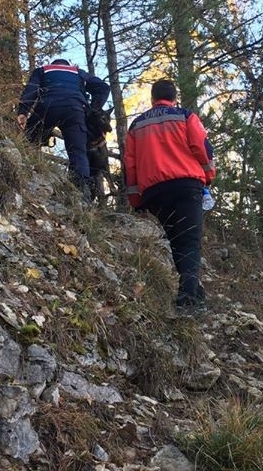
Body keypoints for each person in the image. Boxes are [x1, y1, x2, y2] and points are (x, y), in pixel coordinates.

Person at [124, 78, 215, 316]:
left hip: (155, 193)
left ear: (153, 99)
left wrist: (136, 200)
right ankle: (188, 299)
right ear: (174, 98)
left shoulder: (136, 126)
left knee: (176, 240)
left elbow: (130, 167)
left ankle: (194, 292)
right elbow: (202, 148)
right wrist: (208, 175)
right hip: (187, 185)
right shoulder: (185, 116)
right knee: (190, 241)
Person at [17, 58, 110, 196]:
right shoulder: (78, 72)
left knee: (28, 139)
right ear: (67, 66)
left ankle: (22, 171)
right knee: (78, 151)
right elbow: (103, 88)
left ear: (53, 64)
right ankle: (82, 192)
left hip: (47, 106)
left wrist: (23, 112)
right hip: (76, 110)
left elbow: (31, 90)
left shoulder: (43, 70)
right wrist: (93, 108)